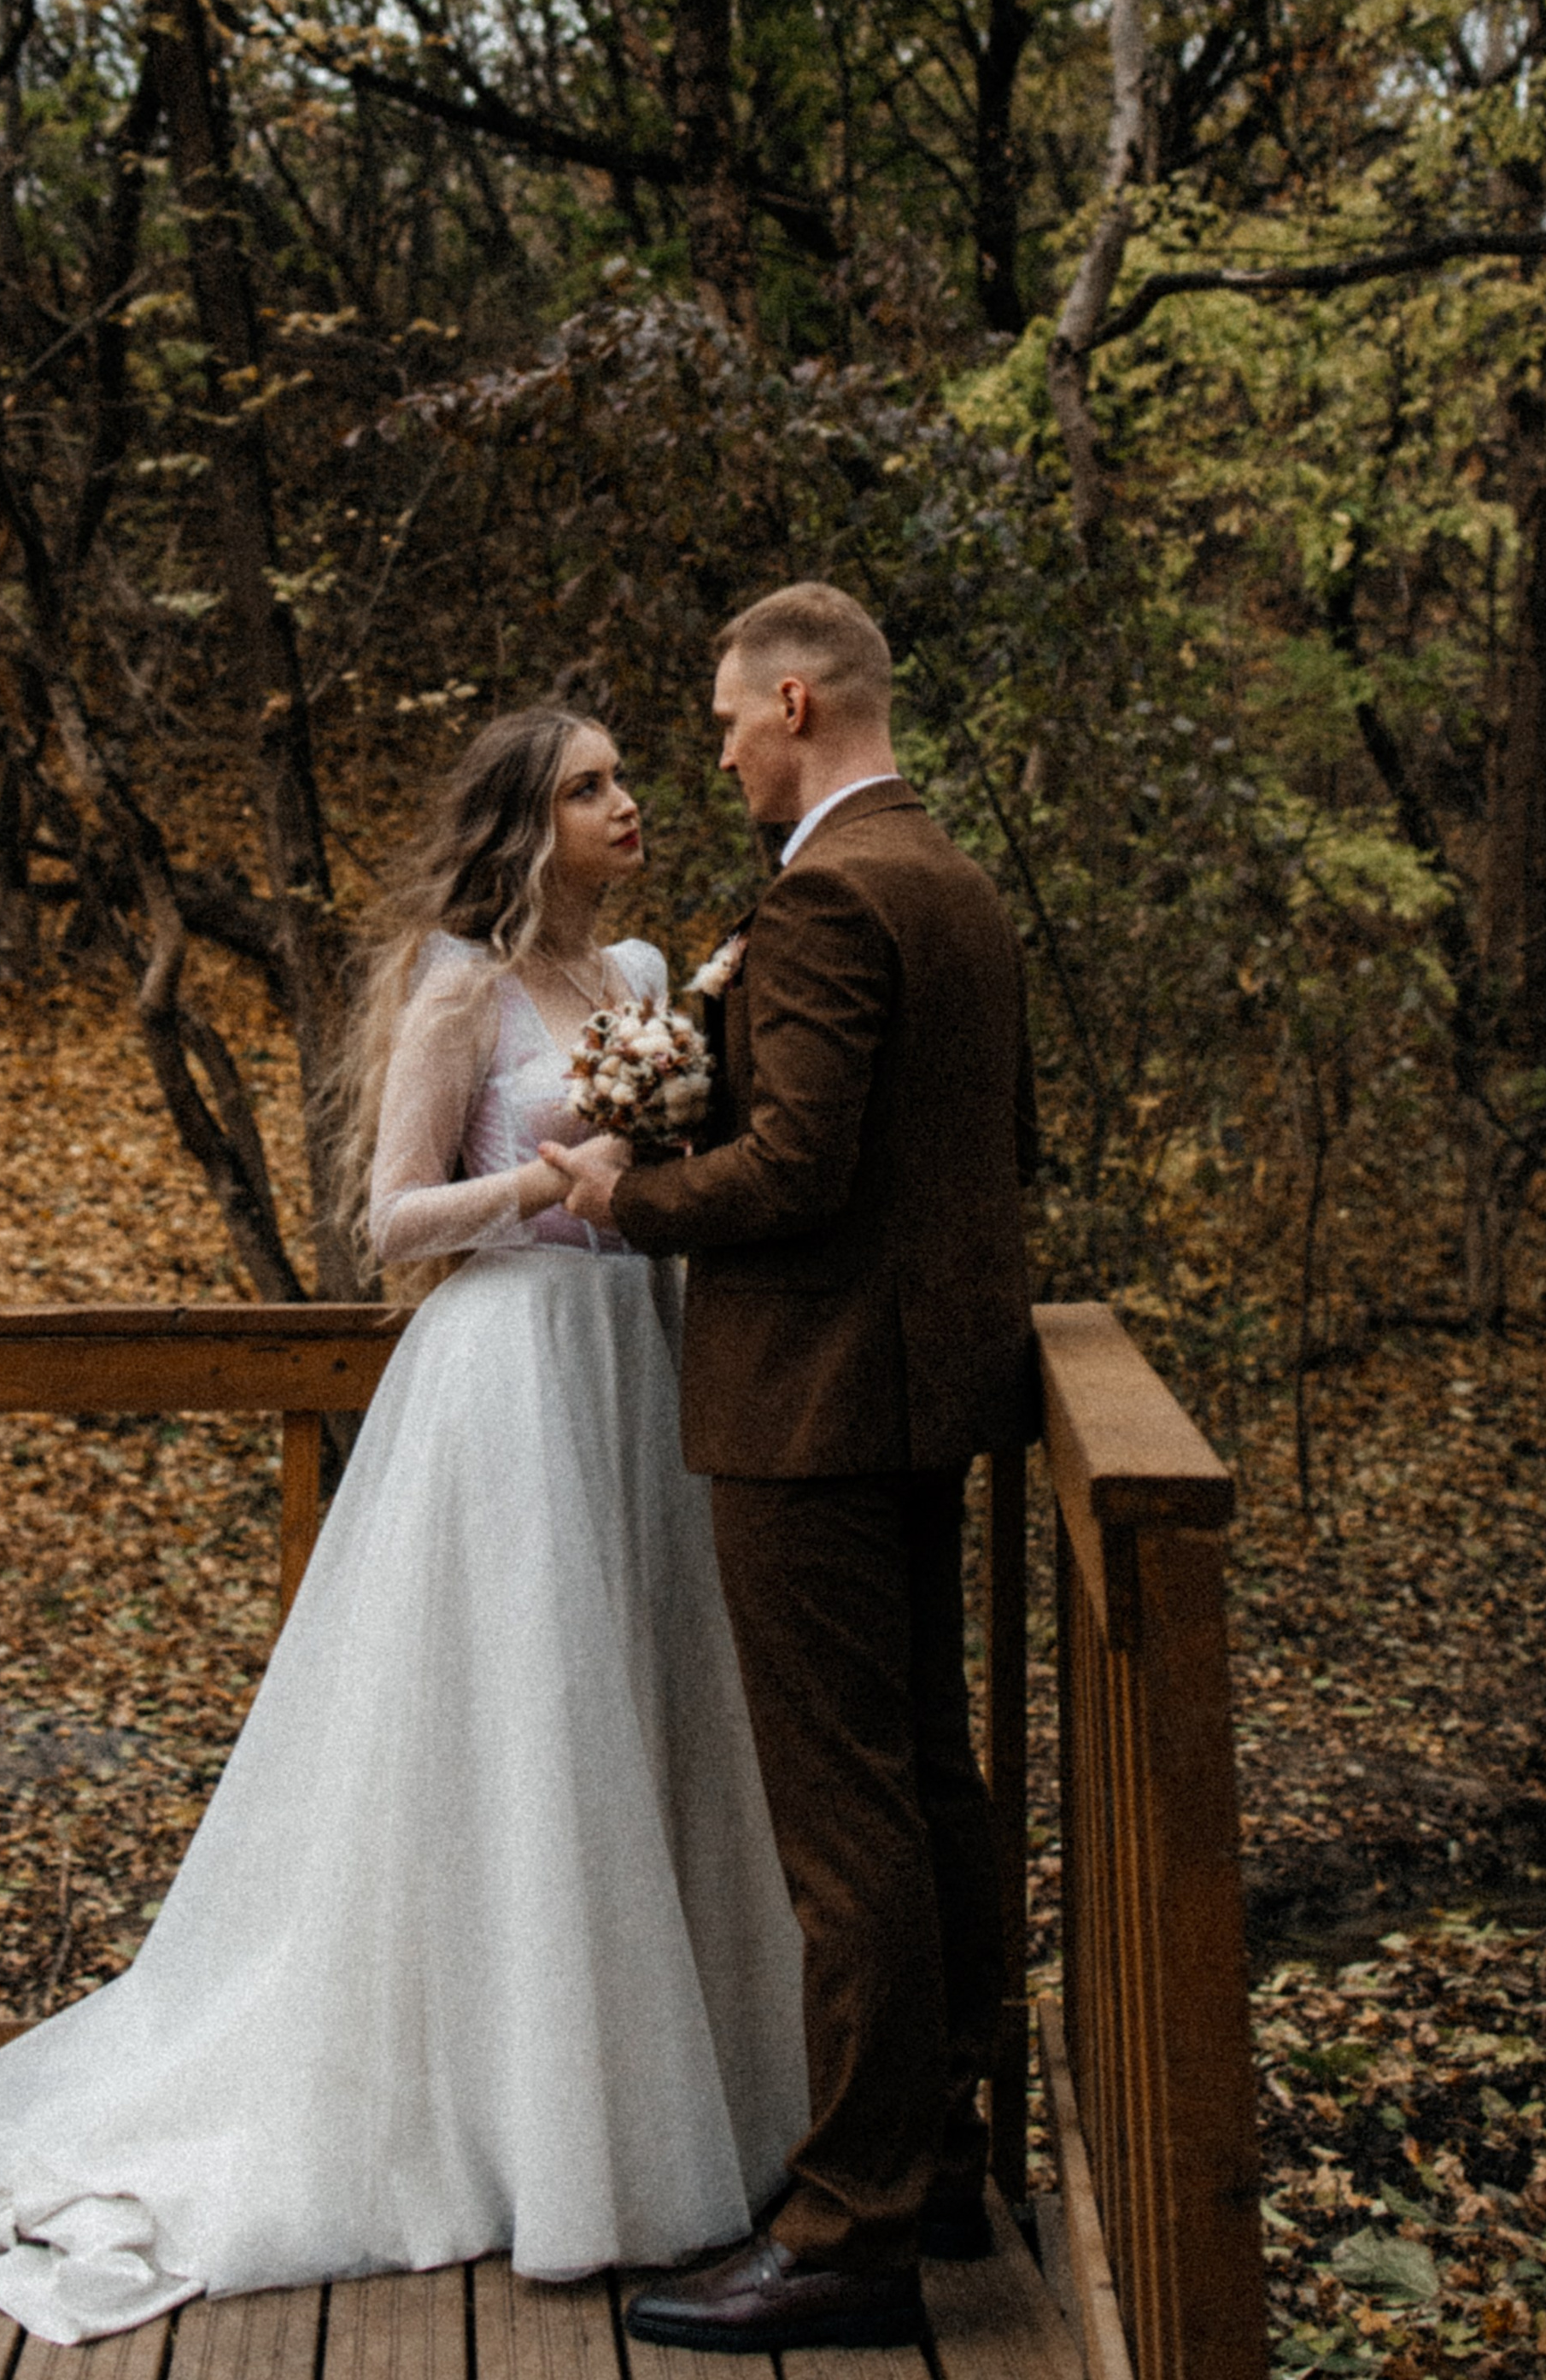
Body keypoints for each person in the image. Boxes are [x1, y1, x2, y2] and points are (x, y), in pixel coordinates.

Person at [0, 706, 806, 2346]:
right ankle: (512, 2127)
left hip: (634, 1377)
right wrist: (545, 1181)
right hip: (508, 1379)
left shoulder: (648, 979)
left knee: (642, 1722)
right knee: (521, 1734)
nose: (627, 803)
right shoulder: (463, 990)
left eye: (625, 780)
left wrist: (661, 1150)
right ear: (526, 824)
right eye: (589, 787)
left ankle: (653, 2109)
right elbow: (386, 1218)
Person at [544, 583, 1037, 2355]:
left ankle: (846, 2228)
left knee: (843, 1824)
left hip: (812, 1407)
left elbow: (799, 1175)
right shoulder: (955, 886)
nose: (723, 749)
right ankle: (941, 2154)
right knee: (925, 1784)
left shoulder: (829, 891)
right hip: (917, 1398)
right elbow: (984, 1152)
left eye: (734, 717)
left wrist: (627, 1193)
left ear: (802, 698)